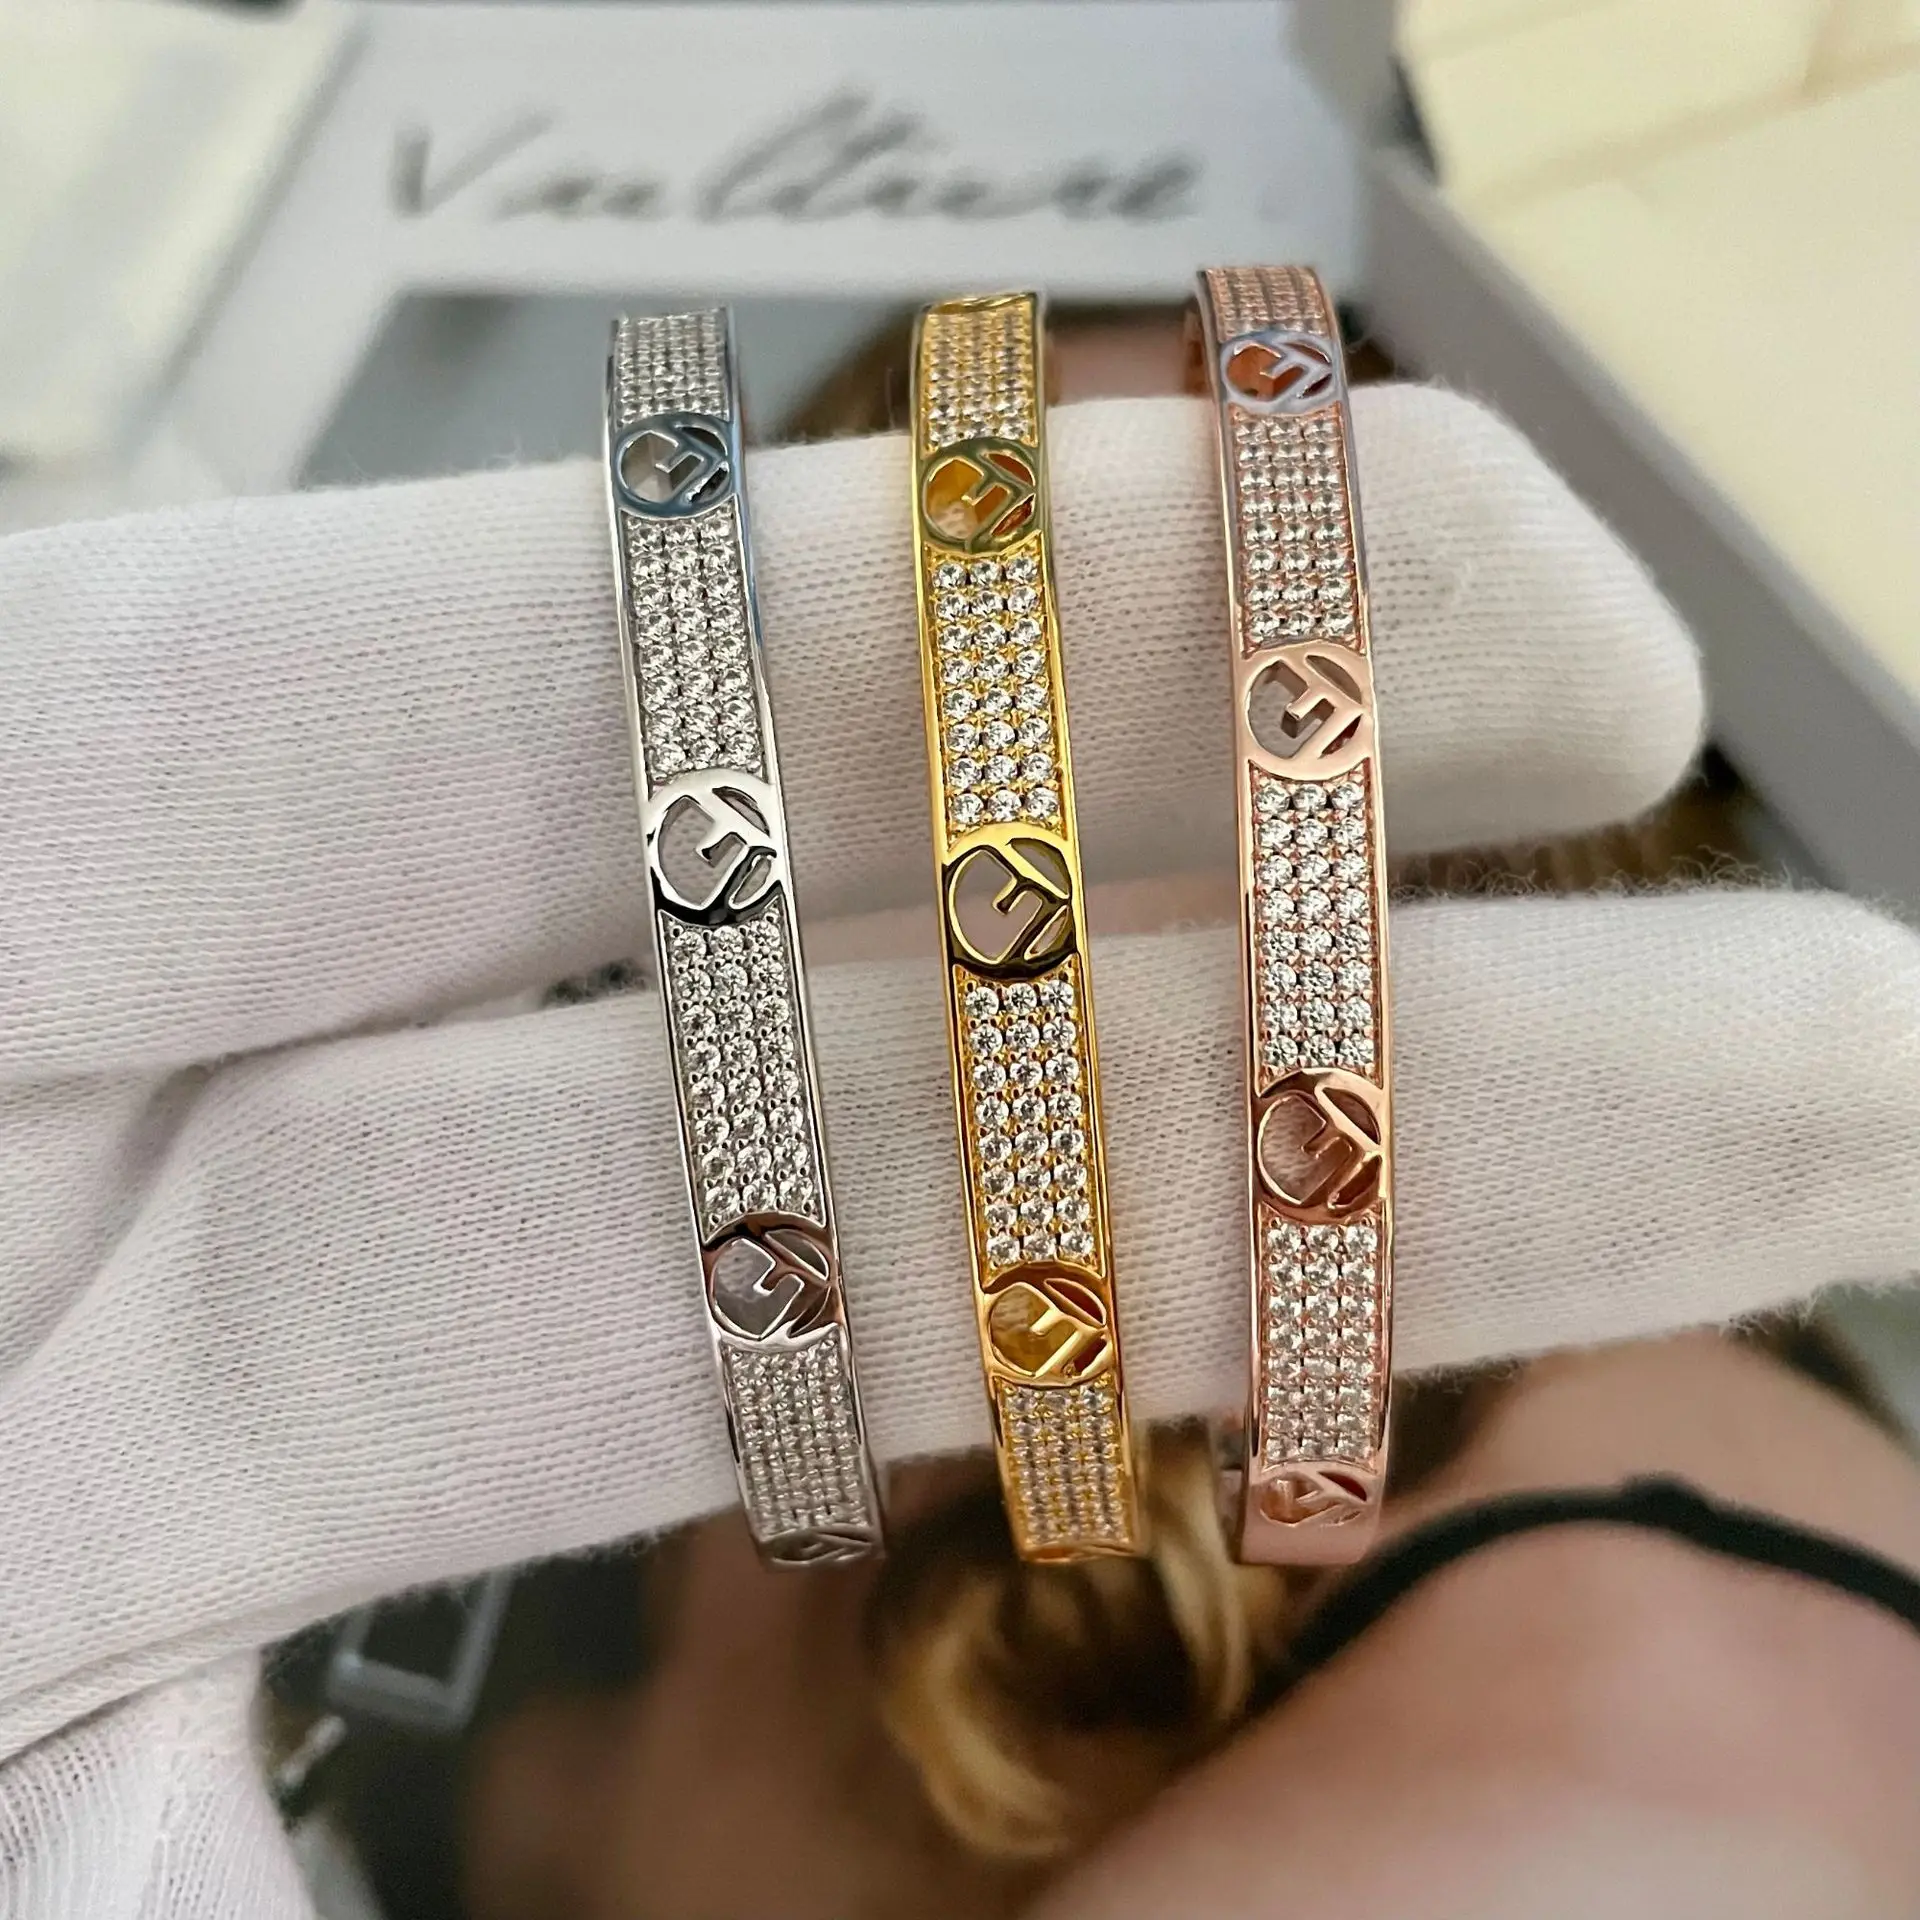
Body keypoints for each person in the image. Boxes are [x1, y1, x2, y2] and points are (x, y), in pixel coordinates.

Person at [2, 382, 1917, 1917]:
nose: (981, 782)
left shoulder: (1655, 1643)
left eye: (1132, 689)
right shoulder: (597, 1253)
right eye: (913, 523)